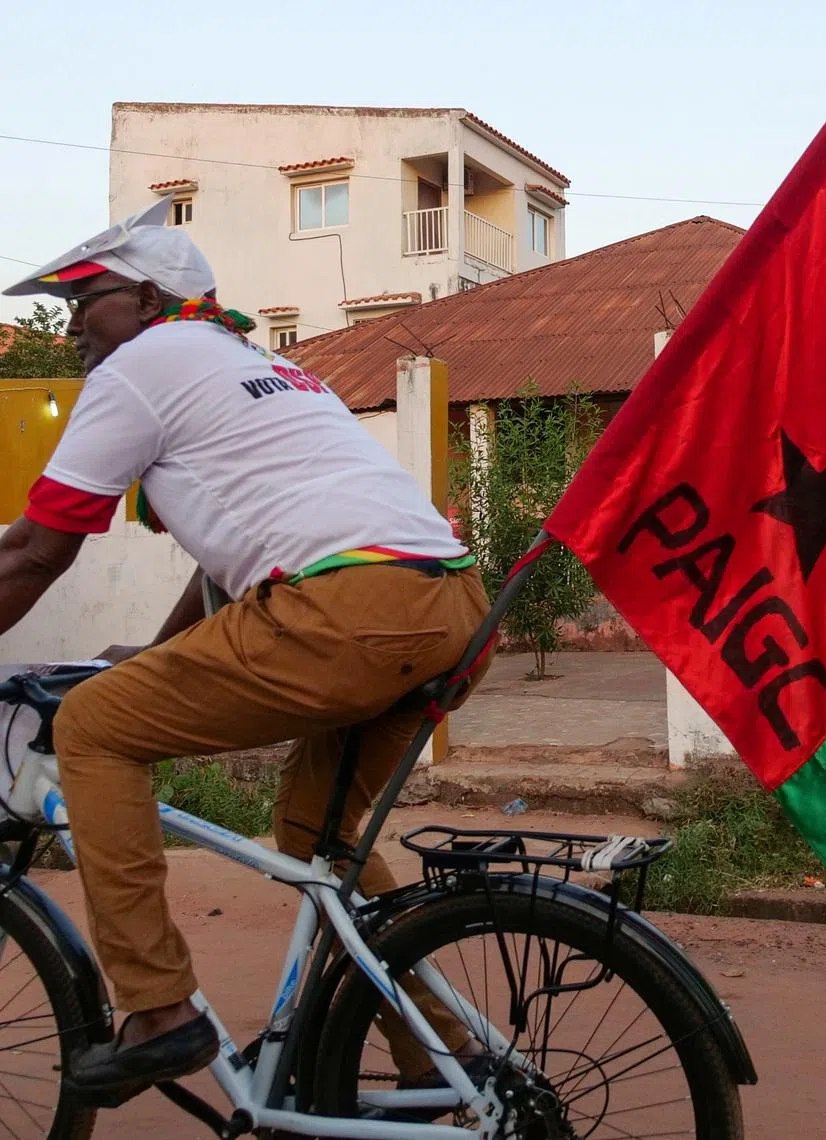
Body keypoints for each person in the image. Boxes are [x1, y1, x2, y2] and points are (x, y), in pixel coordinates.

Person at [0, 199, 493, 1107]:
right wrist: (151, 657)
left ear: (147, 298)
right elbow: (231, 556)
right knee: (314, 832)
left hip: (348, 613)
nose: (70, 324)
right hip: (449, 605)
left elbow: (34, 551)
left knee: (99, 728)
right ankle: (441, 1056)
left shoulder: (142, 366)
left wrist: (123, 678)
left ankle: (156, 1009)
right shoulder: (258, 365)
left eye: (86, 299)